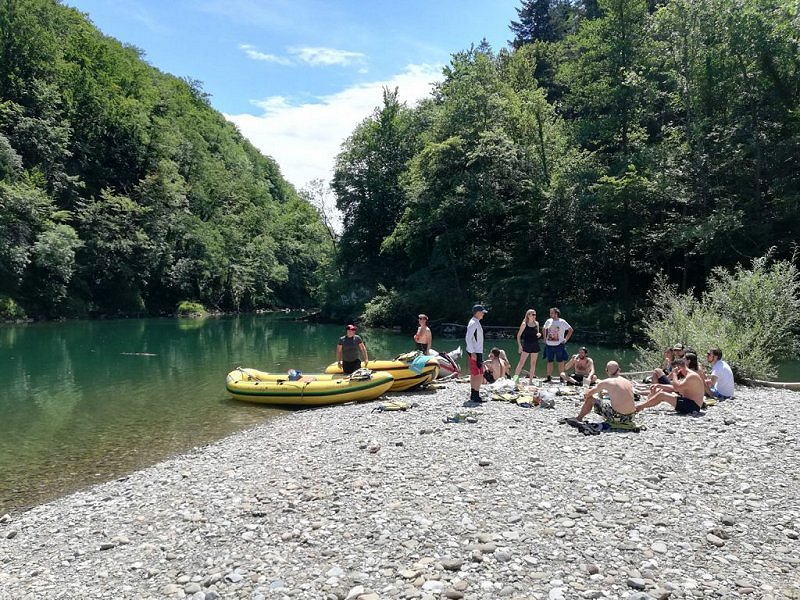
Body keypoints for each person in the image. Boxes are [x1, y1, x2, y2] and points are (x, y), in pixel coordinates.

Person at [636, 358, 705, 414]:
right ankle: (642, 405)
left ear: (678, 368)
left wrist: (674, 375)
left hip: (693, 406)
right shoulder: (687, 375)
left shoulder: (691, 376)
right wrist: (659, 385)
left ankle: (640, 407)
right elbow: (674, 389)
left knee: (662, 394)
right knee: (662, 392)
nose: (672, 371)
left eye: (673, 369)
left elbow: (677, 388)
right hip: (688, 403)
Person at [541, 307, 572, 382]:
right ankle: (548, 377)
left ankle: (561, 377)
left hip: (559, 345)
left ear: (556, 313)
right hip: (549, 345)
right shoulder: (548, 321)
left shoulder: (562, 321)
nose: (550, 314)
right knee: (549, 361)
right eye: (550, 313)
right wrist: (544, 338)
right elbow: (544, 328)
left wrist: (566, 339)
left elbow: (570, 330)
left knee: (560, 361)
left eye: (552, 313)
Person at [466, 304, 488, 402]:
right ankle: (476, 395)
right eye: (482, 312)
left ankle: (474, 394)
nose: (483, 314)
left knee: (475, 373)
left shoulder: (475, 322)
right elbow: (468, 338)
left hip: (476, 350)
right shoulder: (473, 323)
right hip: (475, 351)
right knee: (478, 373)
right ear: (478, 313)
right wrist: (472, 352)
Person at [513, 309, 541, 383]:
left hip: (535, 344)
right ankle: (515, 379)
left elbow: (537, 334)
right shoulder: (524, 324)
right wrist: (519, 345)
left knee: (533, 363)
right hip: (527, 345)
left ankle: (531, 381)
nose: (534, 316)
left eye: (535, 314)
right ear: (528, 315)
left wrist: (539, 335)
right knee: (521, 363)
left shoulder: (537, 323)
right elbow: (518, 335)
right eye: (533, 314)